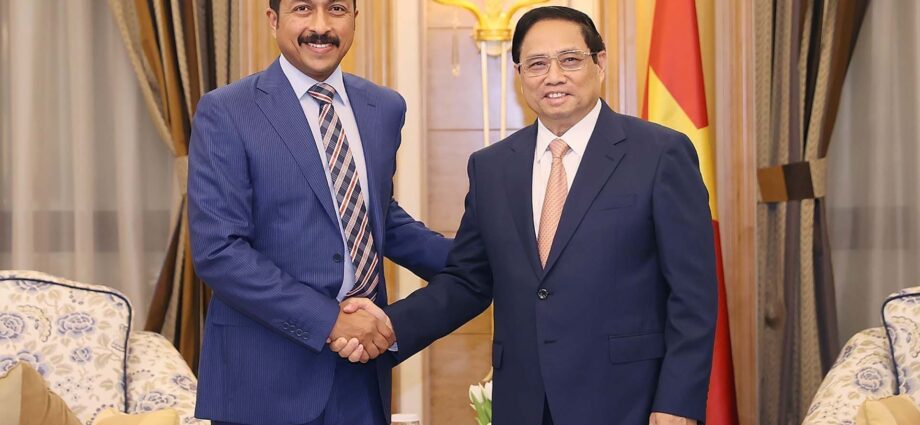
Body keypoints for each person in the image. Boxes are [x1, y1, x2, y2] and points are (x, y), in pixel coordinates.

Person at [335, 6, 717, 425]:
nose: (554, 76)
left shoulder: (660, 154)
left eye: (569, 59)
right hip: (523, 402)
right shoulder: (492, 167)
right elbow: (468, 280)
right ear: (519, 74)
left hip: (628, 401)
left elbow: (692, 294)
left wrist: (677, 402)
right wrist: (389, 327)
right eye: (536, 64)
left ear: (600, 63)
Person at [187, 0, 451, 424]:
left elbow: (373, 215)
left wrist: (479, 258)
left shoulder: (384, 108)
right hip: (265, 377)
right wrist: (330, 321)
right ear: (273, 19)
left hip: (361, 372)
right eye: (303, 8)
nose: (321, 26)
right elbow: (220, 250)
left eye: (337, 9)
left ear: (354, 19)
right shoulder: (227, 110)